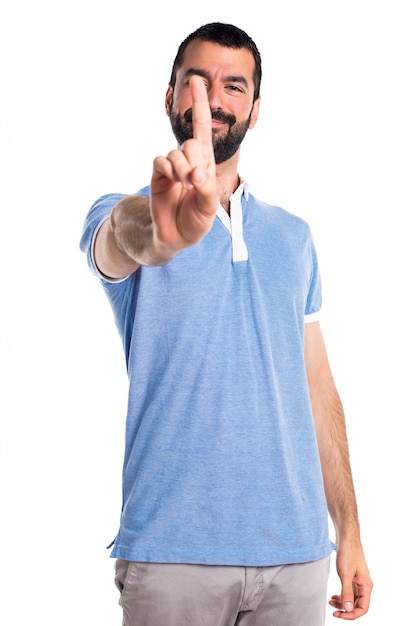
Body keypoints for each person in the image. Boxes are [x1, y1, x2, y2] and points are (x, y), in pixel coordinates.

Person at [80, 22, 372, 625]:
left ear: (254, 109)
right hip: (172, 559)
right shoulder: (125, 211)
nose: (214, 98)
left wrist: (350, 532)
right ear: (169, 97)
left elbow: (316, 388)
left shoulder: (294, 238)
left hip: (296, 558)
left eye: (233, 86)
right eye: (198, 81)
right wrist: (163, 237)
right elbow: (121, 243)